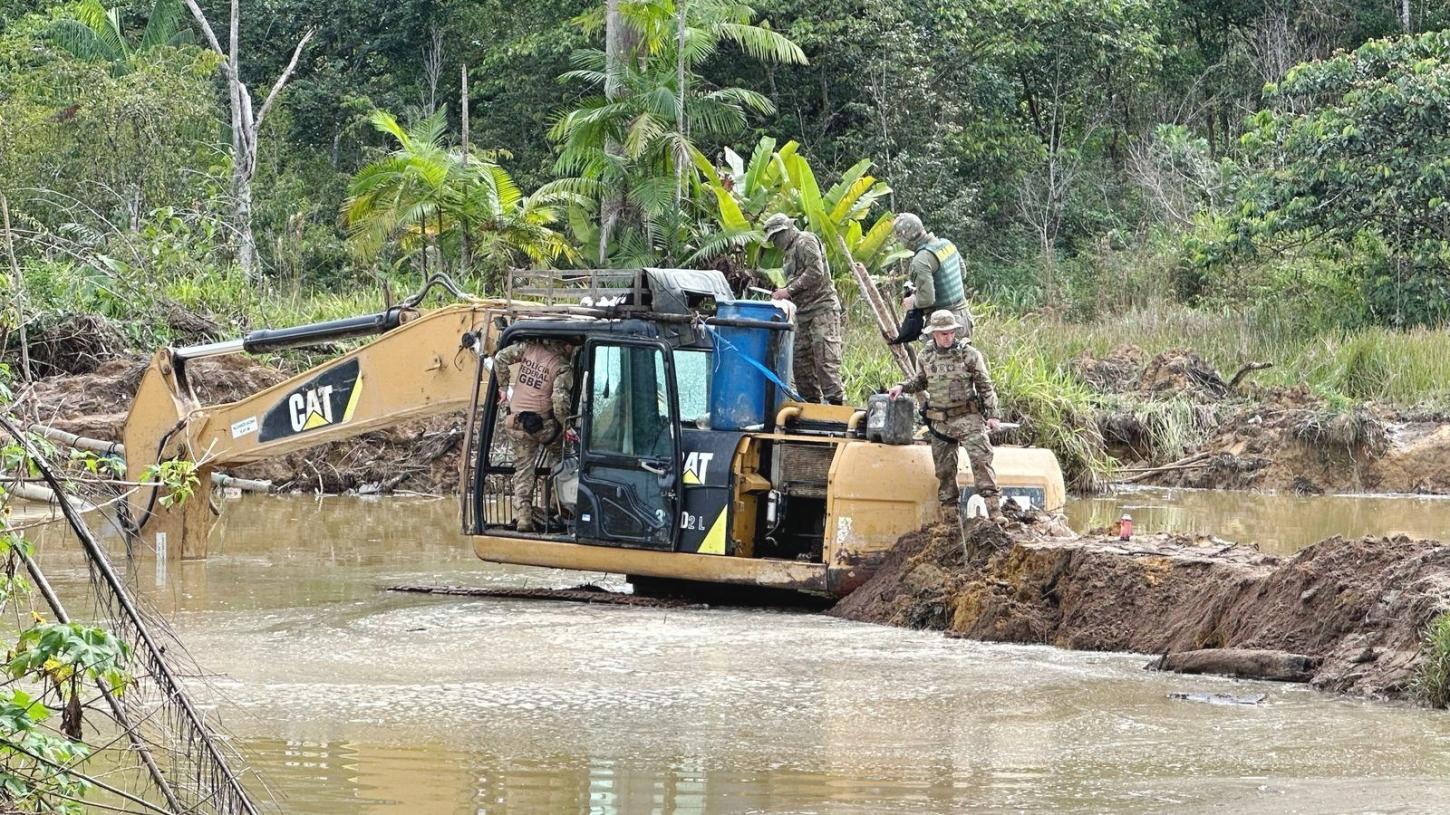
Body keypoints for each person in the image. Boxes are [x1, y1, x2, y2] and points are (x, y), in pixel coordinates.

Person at [887, 310, 1002, 522]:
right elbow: (920, 381)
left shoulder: (969, 355)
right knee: (944, 471)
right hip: (940, 422)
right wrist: (902, 387)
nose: (948, 337)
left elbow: (985, 386)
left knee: (981, 462)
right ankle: (950, 520)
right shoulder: (926, 356)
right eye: (943, 334)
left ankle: (995, 512)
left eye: (951, 333)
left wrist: (993, 415)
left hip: (968, 418)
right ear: (934, 334)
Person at [492, 339, 575, 532]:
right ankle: (559, 508)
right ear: (568, 345)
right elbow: (559, 401)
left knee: (523, 469)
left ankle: (524, 518)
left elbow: (500, 357)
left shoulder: (528, 349)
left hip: (517, 423)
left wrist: (503, 388)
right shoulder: (562, 367)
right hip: (543, 426)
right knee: (563, 457)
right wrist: (567, 426)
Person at [762, 213, 845, 405]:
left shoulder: (805, 240)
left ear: (787, 230)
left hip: (821, 309)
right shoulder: (789, 253)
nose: (775, 243)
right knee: (800, 362)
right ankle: (811, 405)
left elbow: (816, 271)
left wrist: (788, 291)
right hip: (802, 312)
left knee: (825, 359)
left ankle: (835, 405)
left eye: (776, 237)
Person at [892, 213, 973, 342]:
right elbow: (963, 273)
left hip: (943, 325)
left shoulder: (921, 259)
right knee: (962, 361)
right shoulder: (946, 244)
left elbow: (927, 300)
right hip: (963, 318)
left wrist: (912, 302)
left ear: (905, 238)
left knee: (939, 362)